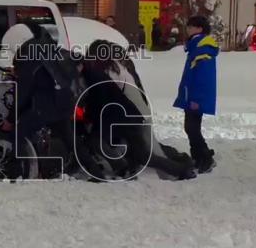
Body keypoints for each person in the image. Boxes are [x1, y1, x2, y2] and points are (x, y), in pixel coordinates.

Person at [80, 40, 195, 180]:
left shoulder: (106, 72)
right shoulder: (117, 66)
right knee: (145, 149)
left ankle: (180, 167)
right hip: (135, 110)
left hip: (131, 113)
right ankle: (176, 166)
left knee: (148, 151)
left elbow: (107, 97)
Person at [0, 23, 80, 162]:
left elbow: (23, 94)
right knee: (69, 140)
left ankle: (20, 171)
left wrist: (10, 120)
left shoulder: (26, 57)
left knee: (18, 133)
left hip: (47, 106)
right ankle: (93, 169)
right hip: (64, 100)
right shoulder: (43, 47)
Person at [173, 16, 219, 173]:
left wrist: (195, 99)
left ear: (200, 28)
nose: (188, 29)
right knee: (191, 127)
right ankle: (199, 158)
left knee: (192, 128)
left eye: (191, 26)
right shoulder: (197, 46)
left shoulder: (202, 49)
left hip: (195, 97)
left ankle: (205, 158)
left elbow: (202, 77)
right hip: (191, 95)